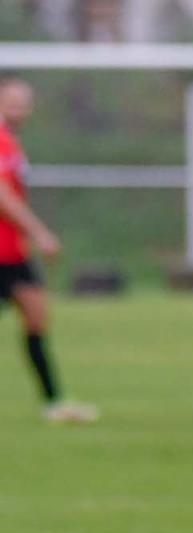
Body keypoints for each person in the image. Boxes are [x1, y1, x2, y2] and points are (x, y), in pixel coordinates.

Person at [0, 77, 97, 424]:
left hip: (12, 252)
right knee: (35, 314)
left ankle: (54, 403)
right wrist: (39, 232)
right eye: (12, 102)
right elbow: (2, 196)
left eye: (24, 103)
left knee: (37, 315)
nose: (20, 109)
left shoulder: (11, 143)